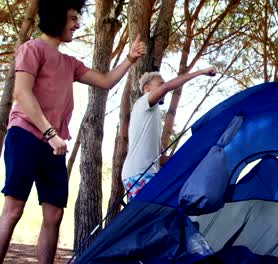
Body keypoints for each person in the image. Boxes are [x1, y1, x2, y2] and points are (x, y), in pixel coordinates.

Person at [0, 0, 146, 263]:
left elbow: (105, 81)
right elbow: (21, 92)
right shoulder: (31, 49)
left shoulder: (70, 63)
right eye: (72, 19)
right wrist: (50, 133)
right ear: (56, 18)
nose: (78, 25)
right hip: (26, 137)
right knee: (13, 210)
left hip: (53, 144)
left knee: (54, 215)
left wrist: (130, 58)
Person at [121, 67, 217, 199]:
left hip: (141, 174)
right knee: (166, 208)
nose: (164, 89)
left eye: (163, 85)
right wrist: (201, 72)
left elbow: (161, 160)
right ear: (147, 88)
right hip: (139, 174)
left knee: (153, 216)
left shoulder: (150, 118)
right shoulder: (143, 102)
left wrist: (194, 159)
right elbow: (168, 87)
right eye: (160, 85)